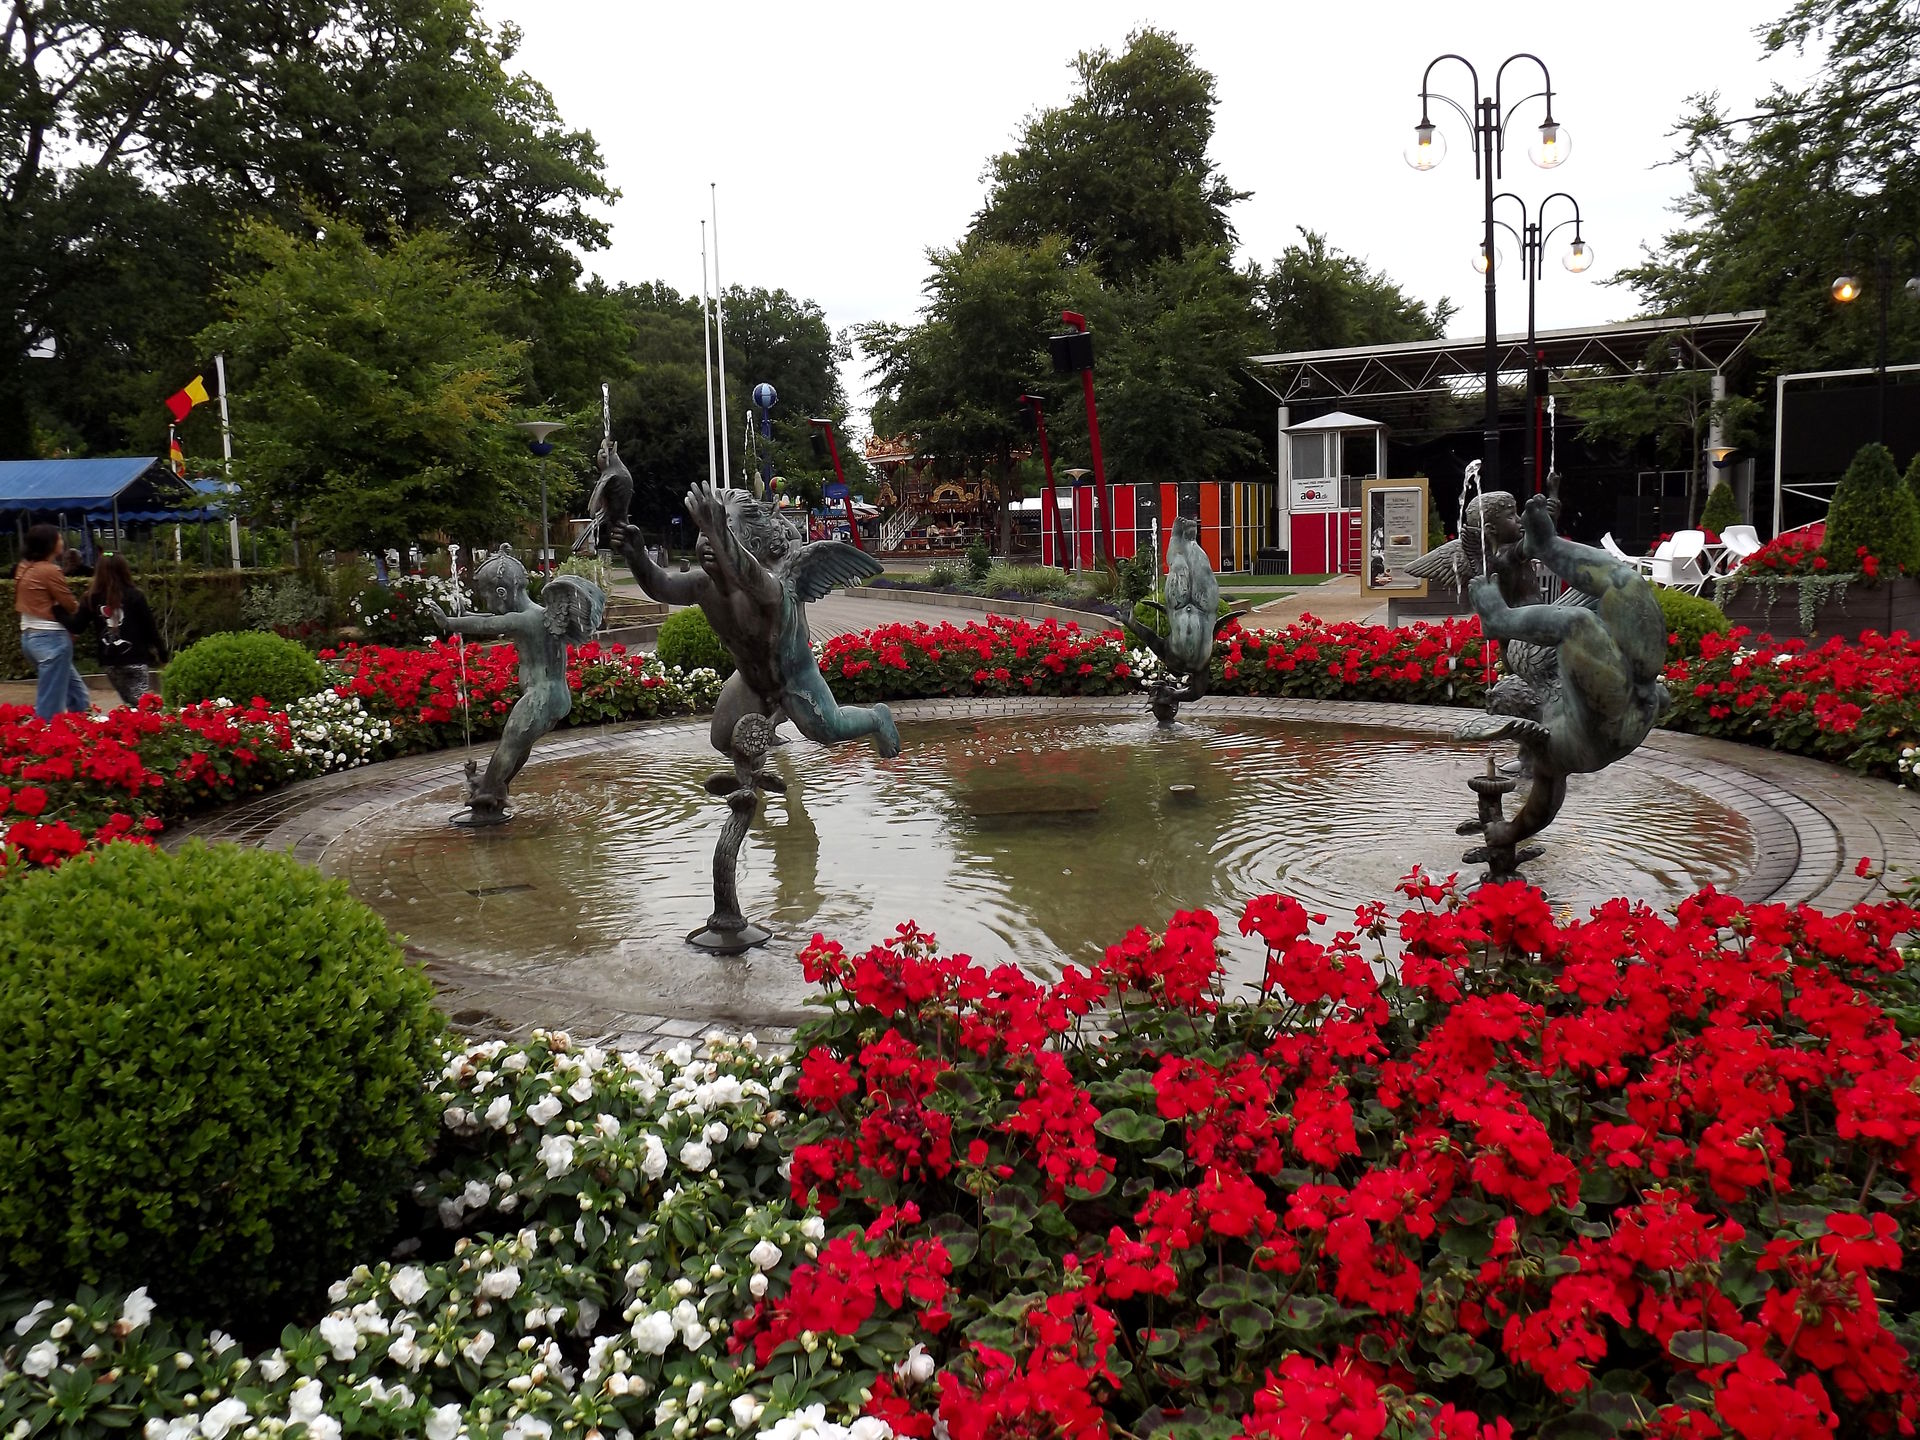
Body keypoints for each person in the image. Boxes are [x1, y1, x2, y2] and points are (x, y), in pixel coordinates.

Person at [13, 523, 91, 718]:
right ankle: (45, 735)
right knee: (50, 705)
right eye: (59, 537)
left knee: (77, 695)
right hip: (51, 639)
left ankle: (81, 726)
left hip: (29, 637)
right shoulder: (50, 570)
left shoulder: (23, 567)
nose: (62, 541)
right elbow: (70, 604)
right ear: (50, 544)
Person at [75, 553, 166, 705]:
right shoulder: (135, 595)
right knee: (143, 704)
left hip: (111, 661)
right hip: (136, 658)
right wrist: (162, 654)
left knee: (131, 702)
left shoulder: (91, 598)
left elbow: (77, 626)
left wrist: (56, 609)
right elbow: (150, 628)